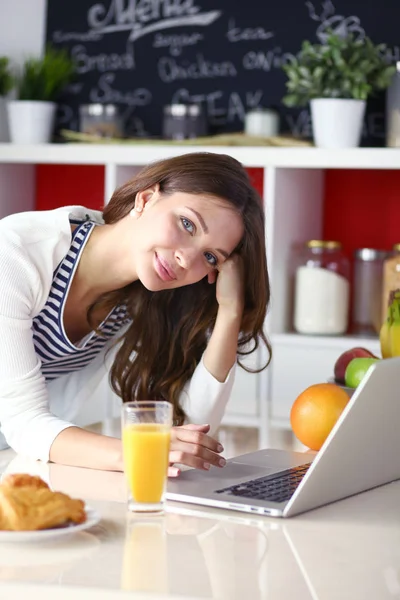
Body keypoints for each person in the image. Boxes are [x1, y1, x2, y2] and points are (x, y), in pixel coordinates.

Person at [0, 152, 271, 475]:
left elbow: (193, 427)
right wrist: (142, 451)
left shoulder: (138, 301)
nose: (187, 259)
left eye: (211, 257)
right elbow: (24, 420)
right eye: (187, 224)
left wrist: (230, 310)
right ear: (146, 198)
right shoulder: (14, 253)